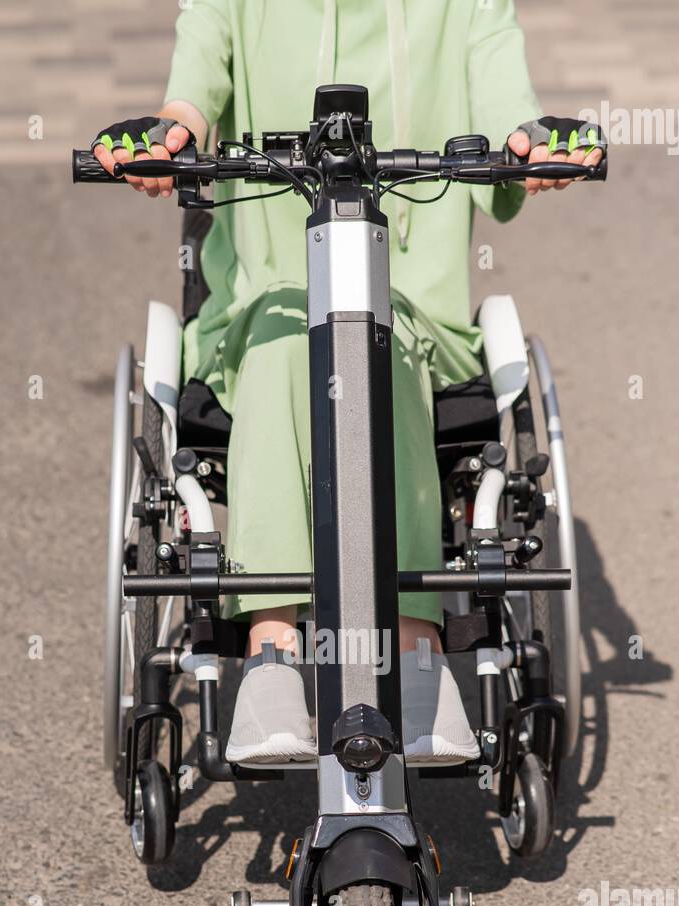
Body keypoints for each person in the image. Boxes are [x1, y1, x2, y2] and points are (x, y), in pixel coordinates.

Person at [92, 0, 602, 764]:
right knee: (283, 343)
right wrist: (172, 135)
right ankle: (270, 652)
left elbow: (501, 92)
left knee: (373, 339)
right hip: (261, 305)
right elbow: (194, 87)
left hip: (413, 311)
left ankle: (415, 648)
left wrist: (524, 145)